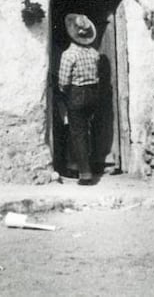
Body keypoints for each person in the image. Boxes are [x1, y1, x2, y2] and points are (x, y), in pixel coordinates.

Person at [57, 13, 101, 185]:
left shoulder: (69, 55)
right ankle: (81, 165)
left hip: (76, 93)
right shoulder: (94, 53)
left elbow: (63, 81)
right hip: (93, 93)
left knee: (78, 133)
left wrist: (64, 92)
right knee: (87, 130)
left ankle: (85, 173)